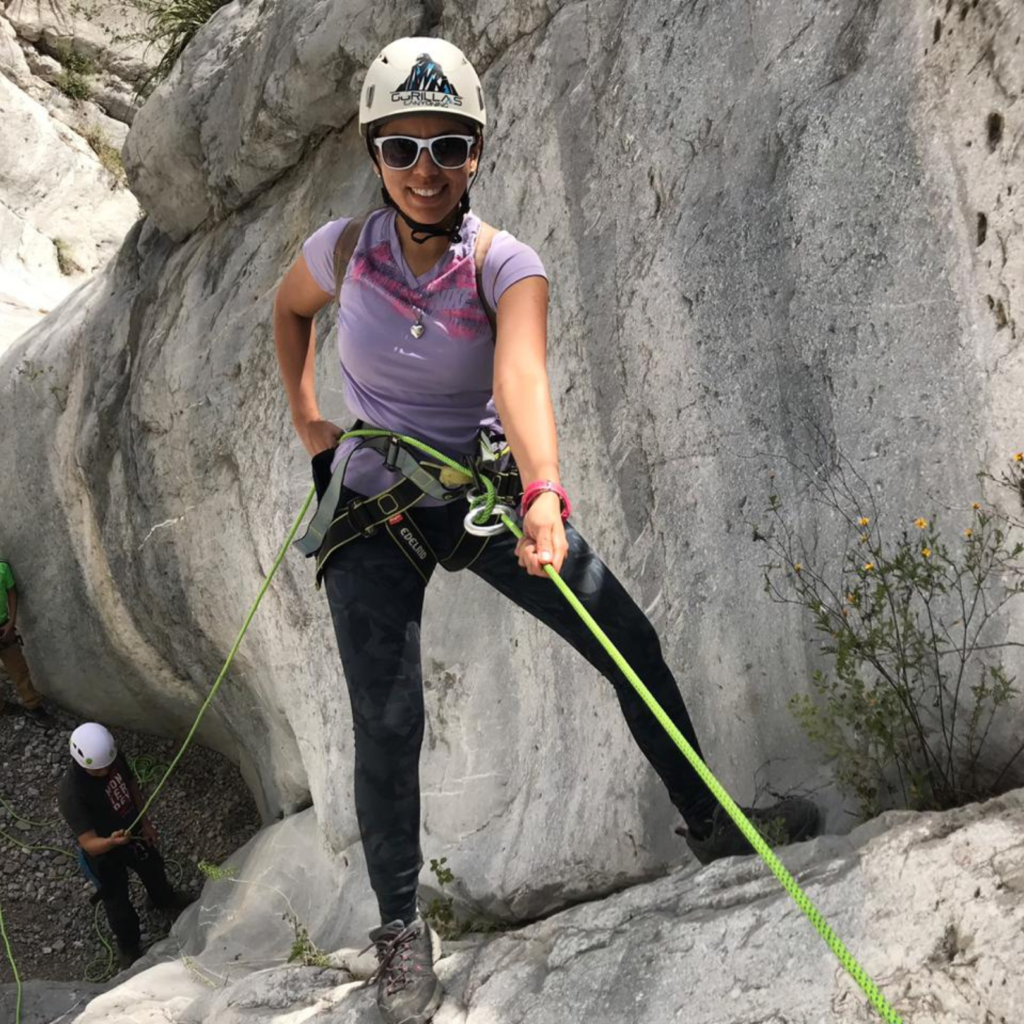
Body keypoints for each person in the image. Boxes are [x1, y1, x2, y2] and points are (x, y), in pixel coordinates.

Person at [273, 37, 820, 1024]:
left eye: (448, 145)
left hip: (484, 498)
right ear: (374, 153)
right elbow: (287, 309)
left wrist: (542, 494)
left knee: (630, 642)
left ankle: (710, 823)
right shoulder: (341, 252)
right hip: (373, 507)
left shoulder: (504, 263)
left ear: (476, 151)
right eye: (403, 149)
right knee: (388, 722)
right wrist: (309, 415)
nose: (426, 169)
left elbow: (520, 375)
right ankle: (399, 937)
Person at [57, 722, 190, 969]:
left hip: (133, 833)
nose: (106, 771)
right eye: (98, 770)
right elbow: (89, 844)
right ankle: (129, 947)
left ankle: (163, 899)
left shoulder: (111, 759)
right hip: (106, 855)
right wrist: (111, 841)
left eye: (109, 765)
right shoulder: (72, 794)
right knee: (118, 904)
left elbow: (131, 787)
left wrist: (145, 823)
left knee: (154, 868)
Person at [0, 558, 51, 725]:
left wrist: (11, 622)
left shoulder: (2, 568)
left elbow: (12, 592)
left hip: (3, 629)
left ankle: (33, 705)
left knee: (19, 670)